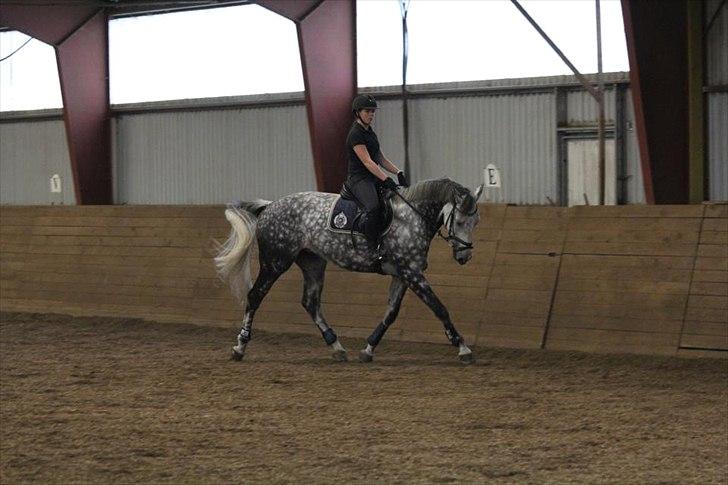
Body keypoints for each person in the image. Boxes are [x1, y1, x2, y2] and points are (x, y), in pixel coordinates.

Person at [343, 94, 408, 255]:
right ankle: (368, 247)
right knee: (373, 207)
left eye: (373, 111)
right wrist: (385, 178)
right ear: (358, 112)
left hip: (372, 178)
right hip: (359, 179)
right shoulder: (355, 134)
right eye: (367, 111)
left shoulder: (370, 132)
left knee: (392, 203)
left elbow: (380, 158)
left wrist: (397, 172)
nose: (371, 114)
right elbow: (367, 162)